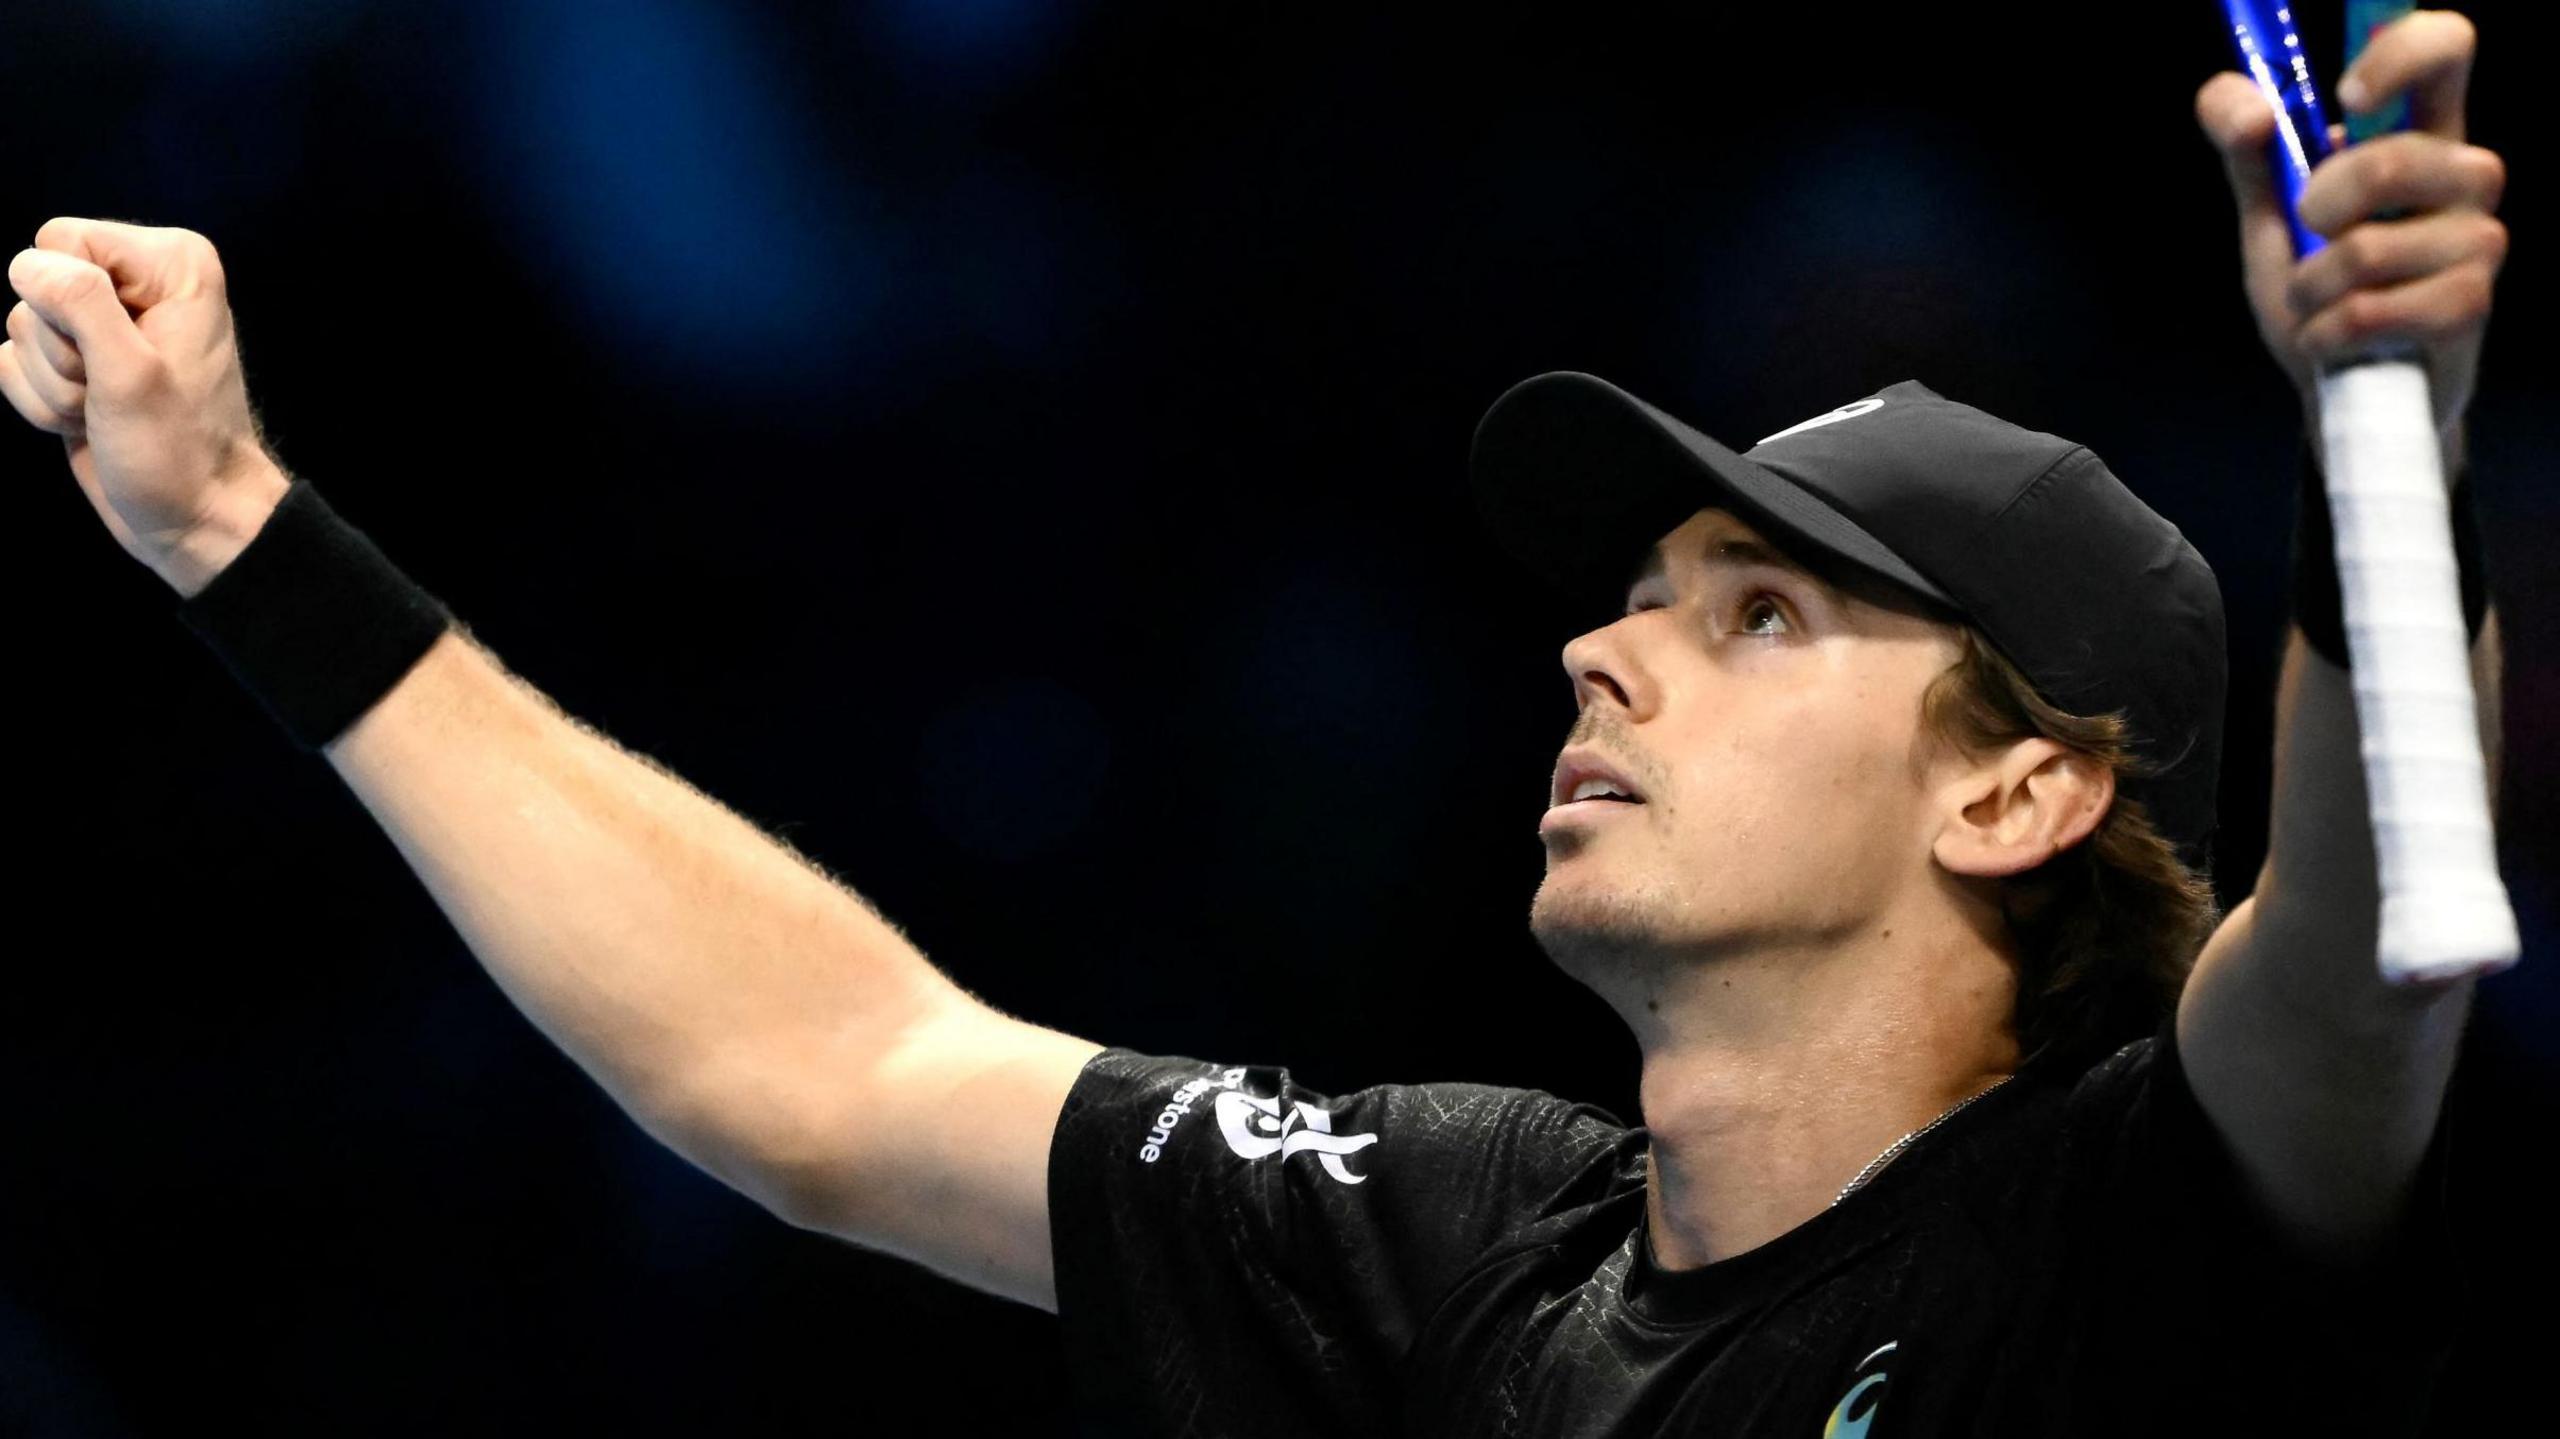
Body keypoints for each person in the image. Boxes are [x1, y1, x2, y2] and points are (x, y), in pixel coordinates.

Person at [0, 11, 2512, 1438]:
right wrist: (235, 528)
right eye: (1629, 597)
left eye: (1755, 620)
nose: (1598, 653)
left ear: (2020, 787)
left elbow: (2379, 943)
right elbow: (824, 1071)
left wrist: (2373, 439)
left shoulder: (2128, 1225)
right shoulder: (1453, 1236)